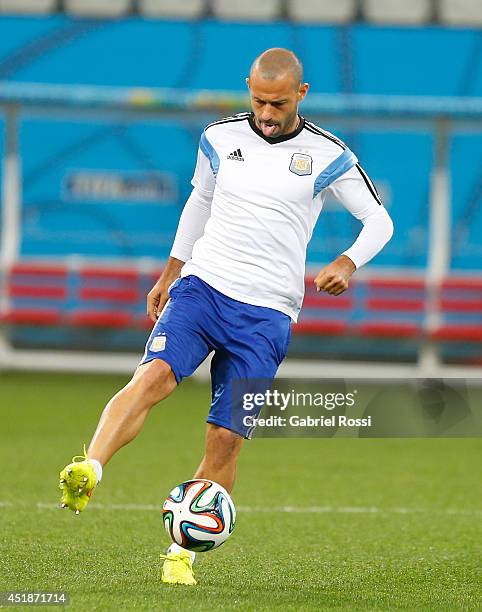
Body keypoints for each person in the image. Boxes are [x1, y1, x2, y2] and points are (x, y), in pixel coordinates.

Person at [59, 48, 393, 585]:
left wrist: (347, 262)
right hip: (204, 287)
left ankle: (180, 553)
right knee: (154, 377)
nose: (266, 111)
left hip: (267, 313)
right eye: (258, 99)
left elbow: (379, 222)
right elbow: (199, 202)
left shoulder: (329, 154)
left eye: (278, 103)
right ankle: (89, 467)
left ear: (300, 95)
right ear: (248, 89)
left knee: (225, 438)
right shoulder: (219, 137)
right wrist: (170, 273)